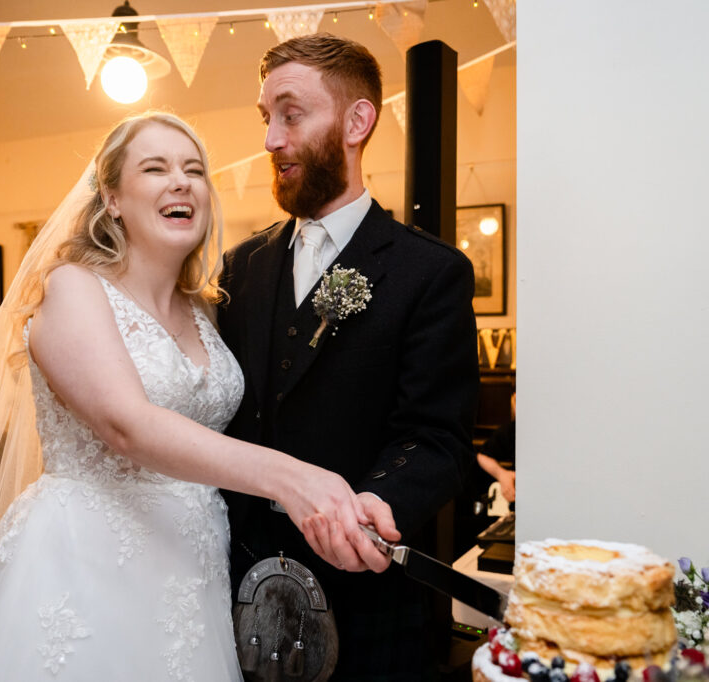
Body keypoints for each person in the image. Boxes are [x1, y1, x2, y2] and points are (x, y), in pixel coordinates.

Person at [0, 112, 370, 682]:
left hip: (194, 567)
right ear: (111, 198)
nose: (181, 181)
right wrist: (291, 478)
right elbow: (127, 425)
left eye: (194, 170)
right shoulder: (72, 288)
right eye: (155, 168)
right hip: (85, 563)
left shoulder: (208, 309)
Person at [218, 34, 480, 680]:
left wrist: (379, 502)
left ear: (357, 122)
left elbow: (437, 437)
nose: (272, 140)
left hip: (370, 599)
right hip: (240, 584)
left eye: (291, 113)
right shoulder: (241, 268)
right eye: (266, 120)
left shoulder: (430, 273)